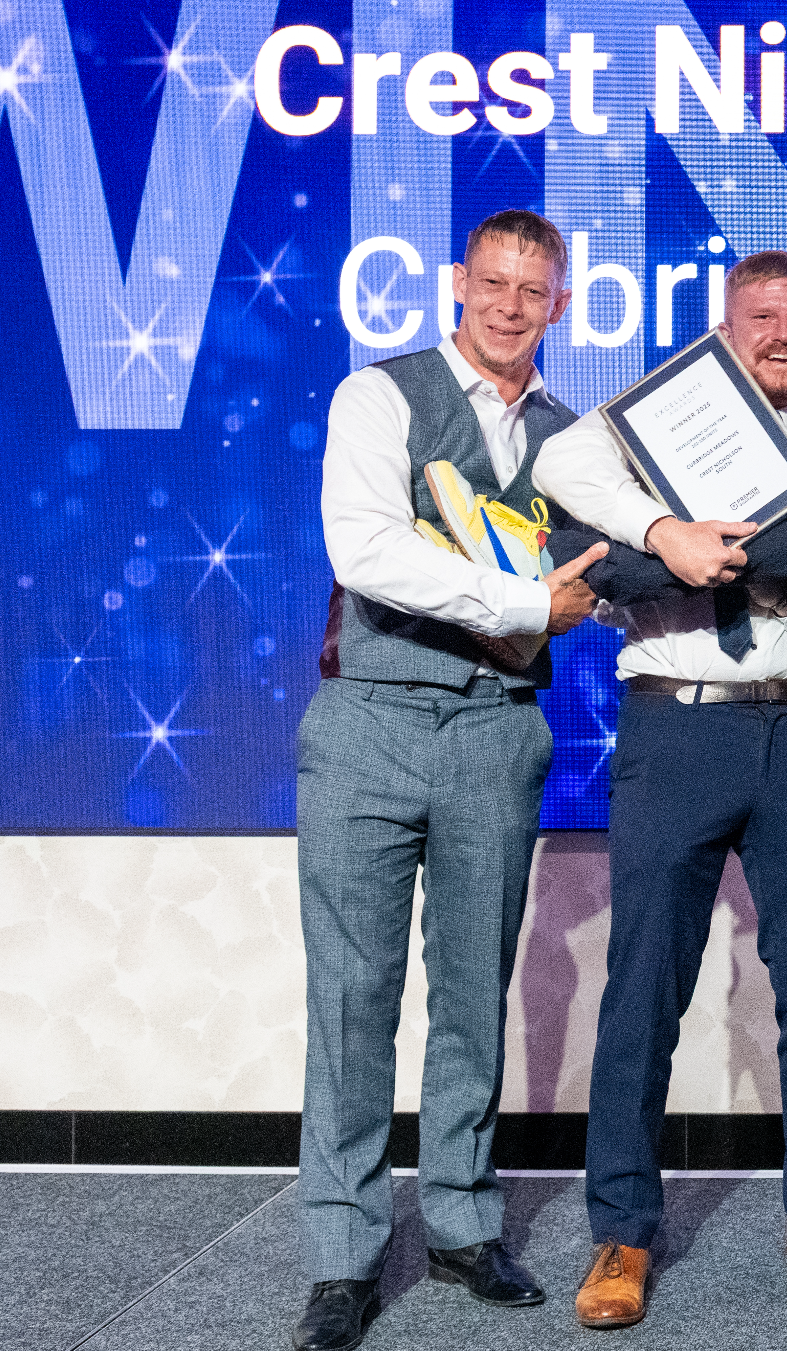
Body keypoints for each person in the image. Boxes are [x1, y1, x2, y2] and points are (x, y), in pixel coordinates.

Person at [531, 250, 787, 1330]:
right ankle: (622, 1232)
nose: (782, 334)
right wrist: (667, 542)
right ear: (724, 337)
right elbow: (585, 538)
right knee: (643, 985)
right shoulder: (645, 447)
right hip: (673, 728)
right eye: (759, 318)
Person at [293, 209, 609, 1351]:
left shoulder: (572, 438)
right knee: (352, 997)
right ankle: (342, 1256)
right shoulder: (379, 396)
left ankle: (464, 1224)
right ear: (457, 287)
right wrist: (531, 604)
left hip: (497, 729)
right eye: (493, 283)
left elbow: (617, 563)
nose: (510, 307)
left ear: (561, 305)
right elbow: (366, 551)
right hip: (369, 722)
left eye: (534, 290)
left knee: (474, 991)